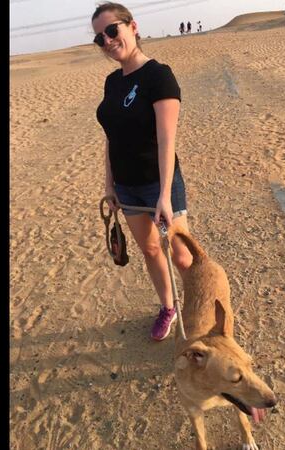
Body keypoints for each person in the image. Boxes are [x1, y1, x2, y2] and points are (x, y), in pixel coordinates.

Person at [93, 2, 193, 341]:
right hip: (127, 186)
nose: (107, 41)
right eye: (99, 38)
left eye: (111, 30)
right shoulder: (111, 82)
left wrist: (164, 195)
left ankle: (198, 308)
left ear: (132, 27)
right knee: (150, 250)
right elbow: (112, 139)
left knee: (181, 255)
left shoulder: (158, 76)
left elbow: (167, 140)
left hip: (158, 183)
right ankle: (168, 307)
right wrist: (110, 186)